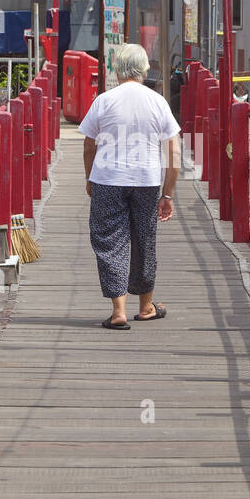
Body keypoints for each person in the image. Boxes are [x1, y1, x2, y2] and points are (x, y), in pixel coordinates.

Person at [78, 43, 181, 330]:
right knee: (145, 239)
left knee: (110, 239)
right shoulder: (157, 101)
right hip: (147, 181)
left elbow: (89, 145)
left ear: (116, 68)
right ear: (145, 68)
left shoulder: (104, 100)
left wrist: (90, 178)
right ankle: (146, 306)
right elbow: (173, 152)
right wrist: (168, 193)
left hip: (107, 179)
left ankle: (118, 311)